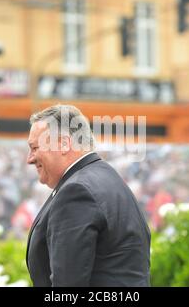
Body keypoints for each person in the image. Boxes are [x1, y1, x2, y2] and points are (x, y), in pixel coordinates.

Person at [25, 104, 151, 286]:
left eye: (35, 147)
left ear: (63, 144)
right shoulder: (106, 177)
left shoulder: (77, 191)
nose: (30, 158)